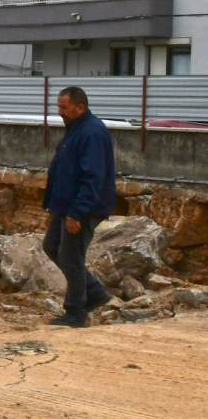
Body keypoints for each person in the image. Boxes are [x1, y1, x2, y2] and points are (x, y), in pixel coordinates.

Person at [42, 86, 118, 328]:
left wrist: (78, 211)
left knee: (71, 256)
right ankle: (94, 292)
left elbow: (92, 176)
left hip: (82, 208)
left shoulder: (91, 132)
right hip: (66, 206)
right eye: (59, 106)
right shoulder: (75, 130)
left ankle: (75, 312)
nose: (60, 112)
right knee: (52, 245)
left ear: (80, 107)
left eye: (64, 107)